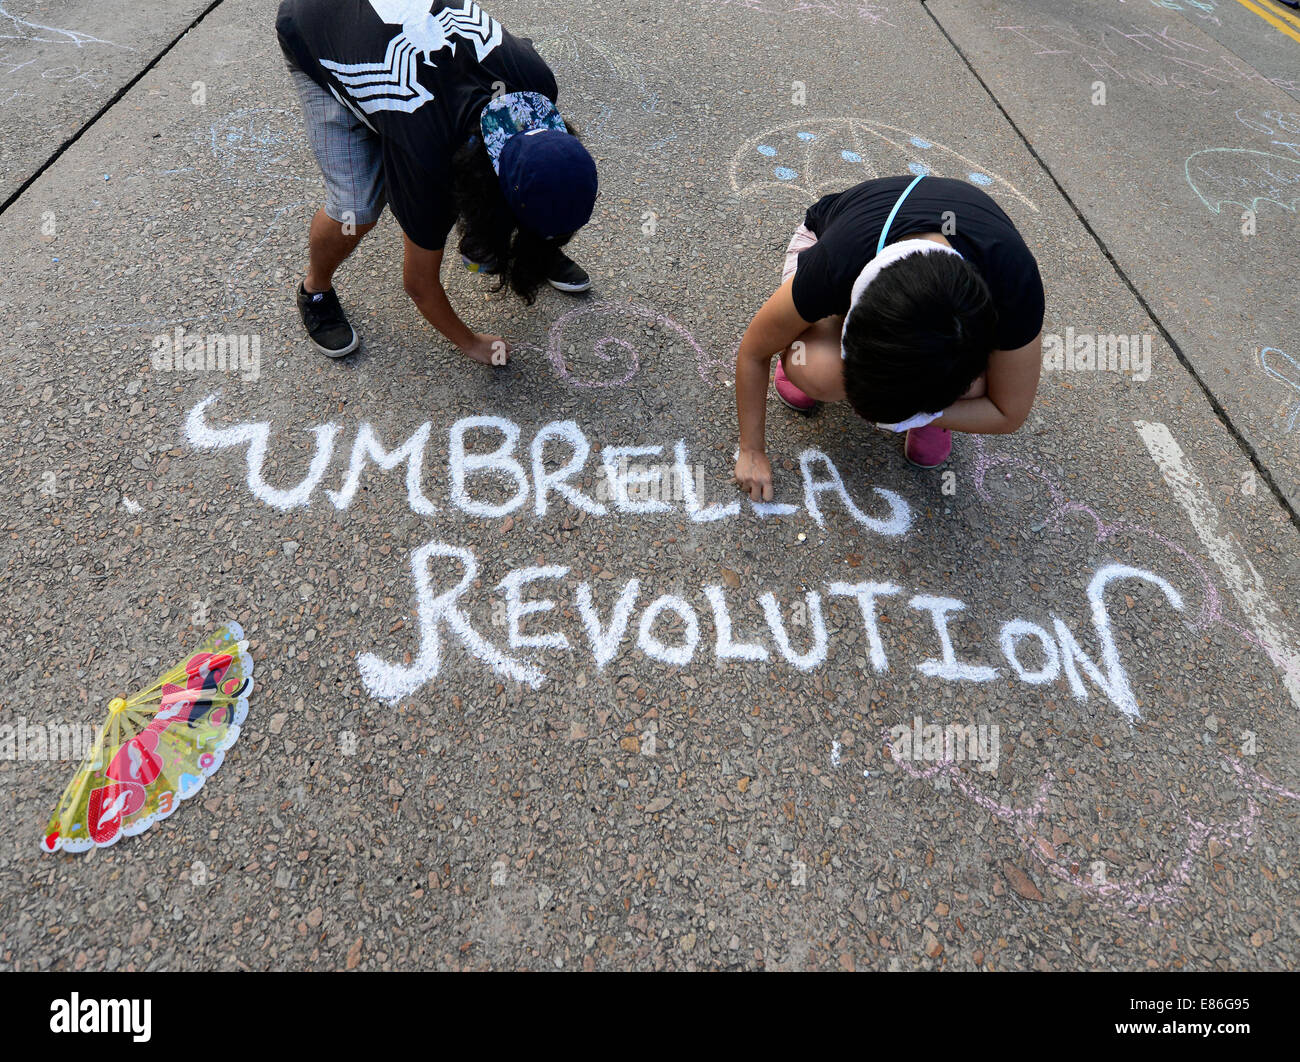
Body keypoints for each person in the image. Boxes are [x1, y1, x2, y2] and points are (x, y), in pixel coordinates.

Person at [275, 0, 599, 363]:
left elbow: (540, 172)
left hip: (394, 55)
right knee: (356, 209)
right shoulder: (429, 162)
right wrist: (470, 341)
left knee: (538, 189)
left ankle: (532, 236)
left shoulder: (537, 84)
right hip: (316, 23)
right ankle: (314, 289)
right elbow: (419, 284)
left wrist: (535, 230)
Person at [732, 174, 1044, 500]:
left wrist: (919, 413)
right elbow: (755, 350)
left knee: (980, 389)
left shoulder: (1015, 283)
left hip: (920, 294)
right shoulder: (836, 260)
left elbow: (1010, 411)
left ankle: (923, 406)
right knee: (819, 371)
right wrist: (751, 450)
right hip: (836, 243)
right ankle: (806, 333)